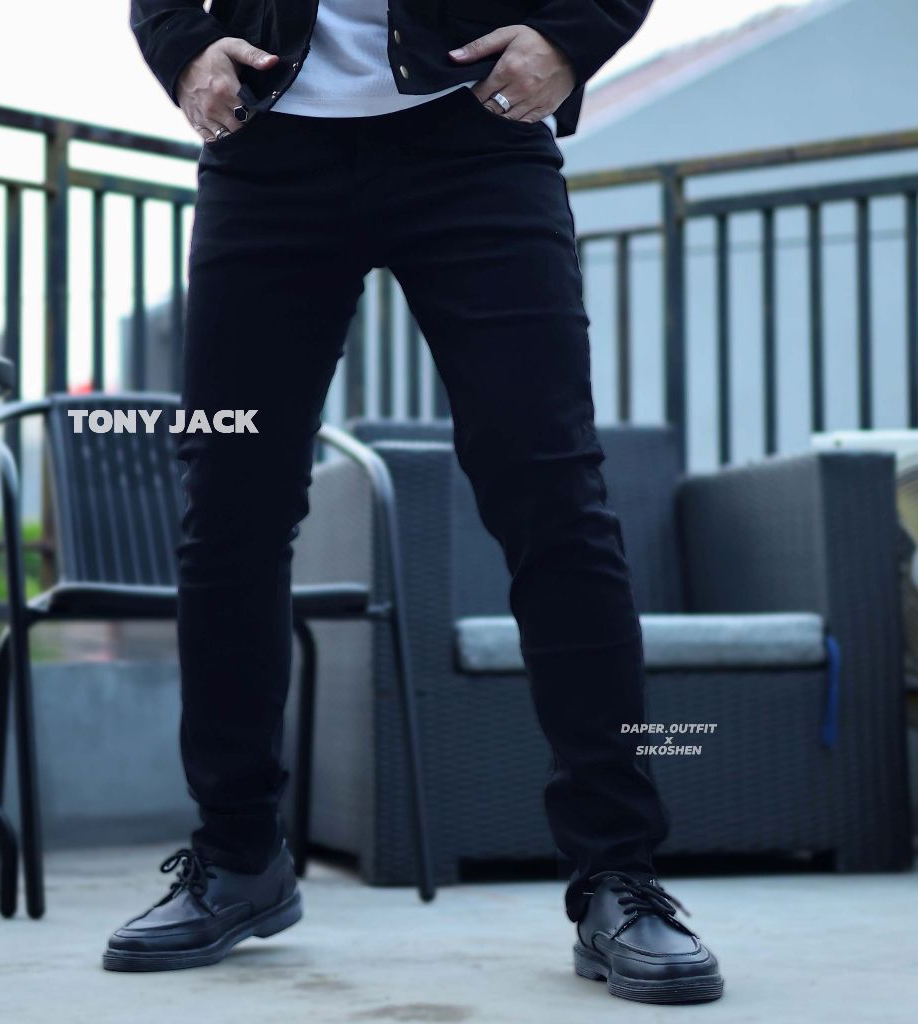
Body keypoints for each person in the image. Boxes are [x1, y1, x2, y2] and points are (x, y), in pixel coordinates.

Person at [109, 0, 724, 1004]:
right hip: (267, 152)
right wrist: (182, 50)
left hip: (474, 137)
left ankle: (619, 872)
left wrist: (573, 36)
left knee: (554, 500)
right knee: (229, 508)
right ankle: (236, 856)